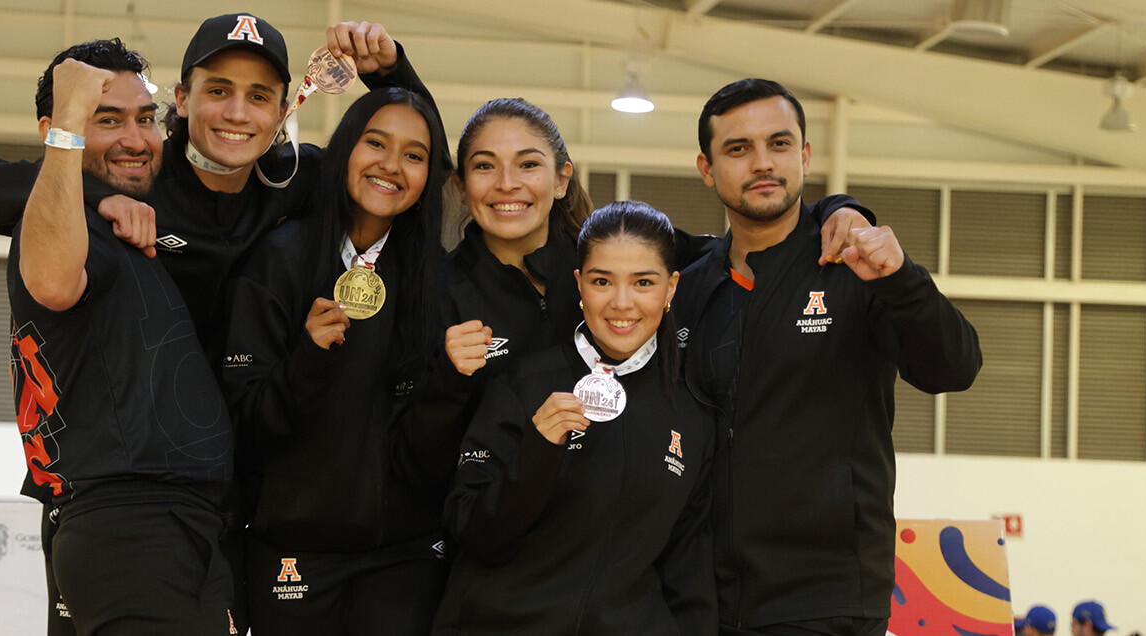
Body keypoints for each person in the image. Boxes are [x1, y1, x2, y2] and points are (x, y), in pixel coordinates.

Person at [390, 97, 873, 497]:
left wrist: (839, 208)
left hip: (613, 530)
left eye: (528, 164)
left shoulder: (613, 255)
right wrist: (449, 378)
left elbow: (743, 241)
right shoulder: (435, 293)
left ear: (561, 179)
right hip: (482, 535)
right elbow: (408, 459)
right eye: (484, 166)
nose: (507, 184)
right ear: (461, 185)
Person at [0, 14, 430, 366]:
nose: (236, 113)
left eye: (258, 97)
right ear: (183, 99)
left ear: (282, 111)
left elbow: (415, 171)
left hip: (264, 441)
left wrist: (391, 73)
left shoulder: (302, 176)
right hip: (150, 459)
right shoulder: (136, 172)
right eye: (218, 90)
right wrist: (96, 196)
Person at [676, 77, 983, 636]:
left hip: (828, 601)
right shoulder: (690, 288)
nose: (762, 162)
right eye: (738, 149)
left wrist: (902, 280)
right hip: (703, 601)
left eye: (779, 143)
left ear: (805, 155)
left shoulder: (857, 266)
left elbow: (954, 368)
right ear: (707, 168)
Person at [8, 40, 236, 635]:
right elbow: (53, 283)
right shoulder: (63, 225)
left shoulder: (115, 221)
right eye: (106, 120)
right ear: (54, 131)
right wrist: (68, 122)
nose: (136, 139)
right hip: (131, 525)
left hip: (168, 523)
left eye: (145, 119)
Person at [219, 86, 452, 635]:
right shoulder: (279, 259)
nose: (391, 165)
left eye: (414, 155)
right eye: (376, 143)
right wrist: (308, 359)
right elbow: (243, 426)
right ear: (345, 148)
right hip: (292, 550)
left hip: (403, 556)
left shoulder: (437, 278)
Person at [434, 200, 714, 635]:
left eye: (643, 282)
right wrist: (538, 450)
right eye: (602, 281)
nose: (622, 303)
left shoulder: (691, 417)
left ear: (671, 288)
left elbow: (688, 575)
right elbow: (474, 535)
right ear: (580, 283)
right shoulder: (523, 384)